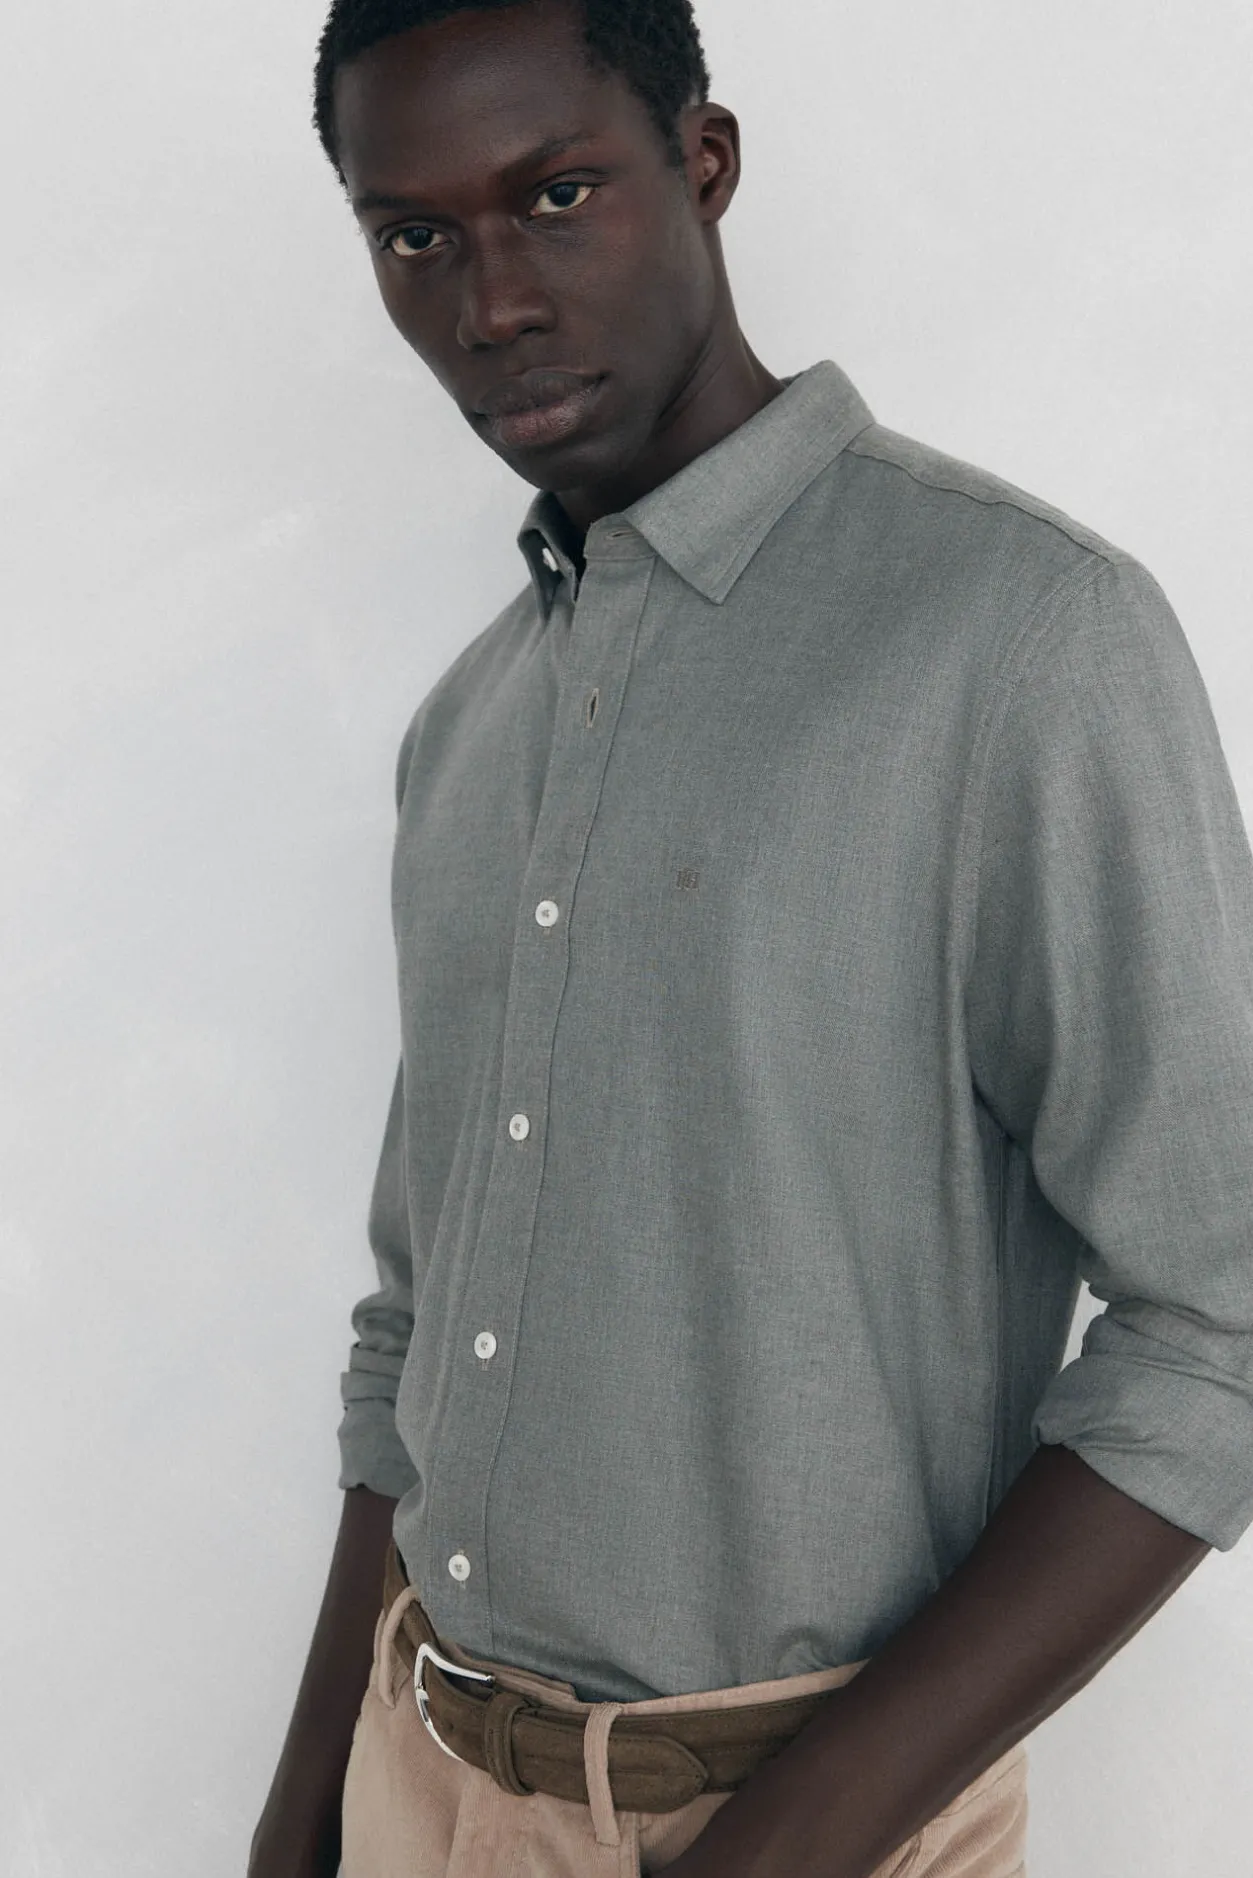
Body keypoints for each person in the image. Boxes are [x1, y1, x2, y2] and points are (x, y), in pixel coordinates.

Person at [248, 3, 1253, 1874]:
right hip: (417, 1781)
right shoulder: (465, 731)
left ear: (703, 164)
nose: (492, 303)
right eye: (416, 235)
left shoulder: (1021, 639)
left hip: (817, 1824)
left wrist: (787, 1840)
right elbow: (415, 1316)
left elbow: (1222, 1319)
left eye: (558, 194)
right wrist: (305, 1806)